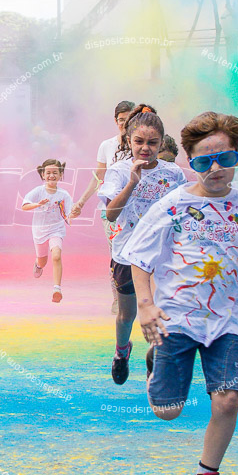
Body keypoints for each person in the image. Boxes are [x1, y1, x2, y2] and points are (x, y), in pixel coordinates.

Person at [123, 111, 238, 475]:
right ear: (189, 162)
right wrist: (145, 305)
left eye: (224, 159)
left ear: (236, 157)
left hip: (226, 322)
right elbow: (137, 257)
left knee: (227, 400)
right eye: (203, 161)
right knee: (168, 412)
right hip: (176, 318)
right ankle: (156, 364)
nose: (215, 169)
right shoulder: (173, 205)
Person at [98, 109, 185, 385]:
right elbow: (111, 214)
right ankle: (122, 352)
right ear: (128, 141)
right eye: (139, 142)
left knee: (162, 308)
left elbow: (181, 213)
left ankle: (155, 357)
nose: (145, 148)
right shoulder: (118, 171)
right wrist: (132, 184)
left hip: (163, 254)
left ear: (161, 144)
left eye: (152, 143)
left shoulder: (173, 174)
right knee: (128, 314)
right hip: (126, 252)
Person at [71, 100, 135, 314]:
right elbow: (99, 178)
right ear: (115, 121)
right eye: (121, 120)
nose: (124, 125)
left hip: (138, 209)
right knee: (116, 254)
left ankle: (142, 296)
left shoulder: (142, 144)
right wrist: (81, 201)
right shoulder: (106, 146)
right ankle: (118, 298)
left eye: (129, 120)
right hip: (112, 212)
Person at [22, 158, 72, 303]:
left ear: (60, 174)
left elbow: (68, 214)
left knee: (56, 255)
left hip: (57, 230)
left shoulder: (64, 195)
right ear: (43, 175)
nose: (51, 175)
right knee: (43, 261)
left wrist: (73, 214)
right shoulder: (38, 191)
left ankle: (57, 288)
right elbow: (24, 206)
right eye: (48, 173)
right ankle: (38, 265)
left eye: (55, 172)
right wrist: (38, 204)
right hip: (39, 231)